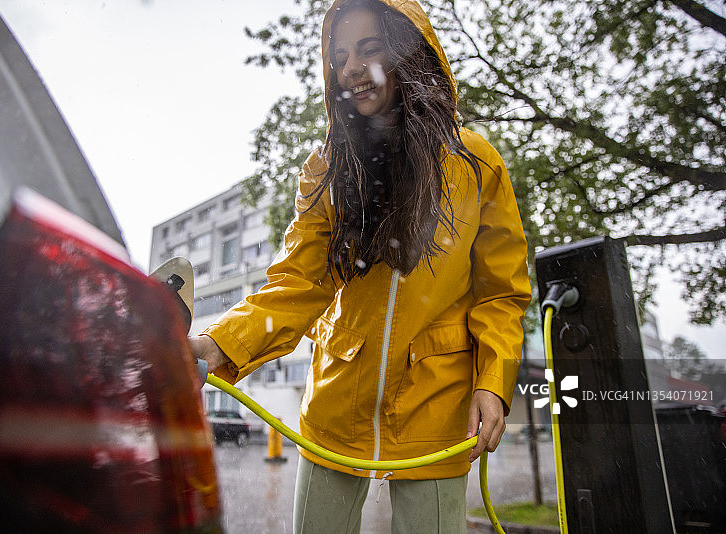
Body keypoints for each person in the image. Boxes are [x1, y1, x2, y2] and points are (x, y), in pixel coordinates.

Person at [189, 0, 531, 532]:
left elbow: (500, 293)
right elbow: (297, 281)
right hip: (336, 401)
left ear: (407, 55)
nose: (351, 67)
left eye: (370, 49)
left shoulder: (475, 162)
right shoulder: (327, 168)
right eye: (340, 55)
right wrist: (217, 344)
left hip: (439, 407)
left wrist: (493, 381)